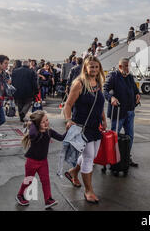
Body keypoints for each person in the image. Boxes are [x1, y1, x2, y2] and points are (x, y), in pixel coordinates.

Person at [63, 56, 107, 203]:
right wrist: (69, 120)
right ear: (86, 68)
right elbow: (68, 105)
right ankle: (89, 191)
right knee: (89, 157)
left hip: (96, 126)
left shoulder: (98, 82)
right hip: (82, 127)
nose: (94, 69)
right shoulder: (79, 84)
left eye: (96, 67)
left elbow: (99, 104)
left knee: (92, 156)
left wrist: (104, 118)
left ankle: (73, 172)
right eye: (91, 67)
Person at [16, 111, 71, 208]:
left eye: (47, 120)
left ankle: (48, 200)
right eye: (43, 122)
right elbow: (32, 134)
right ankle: (20, 195)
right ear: (37, 124)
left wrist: (68, 130)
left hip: (43, 162)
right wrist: (32, 123)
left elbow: (61, 138)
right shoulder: (34, 132)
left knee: (46, 180)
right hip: (31, 161)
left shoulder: (49, 131)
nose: (46, 123)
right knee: (29, 180)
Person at [103, 57, 141, 167]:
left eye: (129, 66)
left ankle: (126, 157)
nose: (128, 68)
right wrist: (111, 98)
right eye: (126, 66)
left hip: (130, 111)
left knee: (130, 136)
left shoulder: (129, 77)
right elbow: (105, 90)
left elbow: (134, 89)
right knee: (113, 137)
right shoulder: (113, 76)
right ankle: (109, 158)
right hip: (118, 112)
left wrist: (138, 94)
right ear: (120, 67)